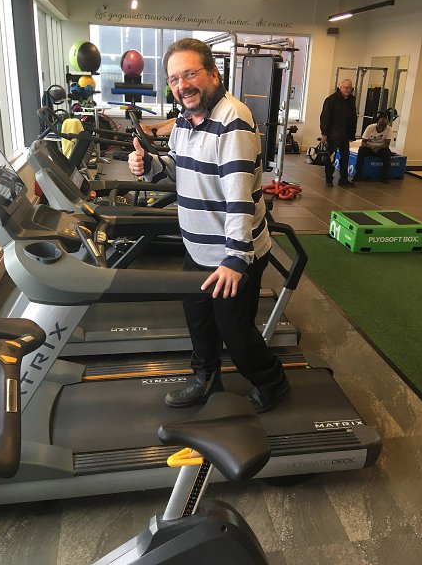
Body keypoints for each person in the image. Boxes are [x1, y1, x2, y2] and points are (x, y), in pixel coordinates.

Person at [128, 38, 289, 413]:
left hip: (233, 252)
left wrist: (235, 259)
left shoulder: (233, 121)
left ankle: (272, 382)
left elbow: (238, 197)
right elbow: (177, 169)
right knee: (199, 320)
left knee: (235, 332)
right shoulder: (186, 119)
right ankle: (206, 378)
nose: (181, 85)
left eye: (189, 74)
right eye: (174, 79)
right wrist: (149, 166)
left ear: (214, 75)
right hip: (198, 249)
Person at [320, 78, 357, 188]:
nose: (347, 90)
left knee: (345, 157)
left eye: (350, 88)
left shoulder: (352, 100)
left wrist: (352, 133)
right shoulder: (331, 100)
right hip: (333, 134)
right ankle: (329, 179)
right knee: (331, 157)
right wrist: (324, 133)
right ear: (340, 87)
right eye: (345, 87)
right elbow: (325, 117)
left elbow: (353, 117)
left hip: (345, 134)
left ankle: (343, 179)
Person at [353, 114, 393, 183]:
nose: (381, 128)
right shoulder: (370, 127)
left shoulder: (389, 129)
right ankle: (358, 174)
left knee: (387, 153)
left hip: (381, 148)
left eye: (383, 127)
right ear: (377, 123)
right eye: (380, 126)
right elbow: (363, 142)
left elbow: (386, 144)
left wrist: (378, 147)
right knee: (361, 150)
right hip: (369, 147)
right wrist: (371, 147)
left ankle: (384, 177)